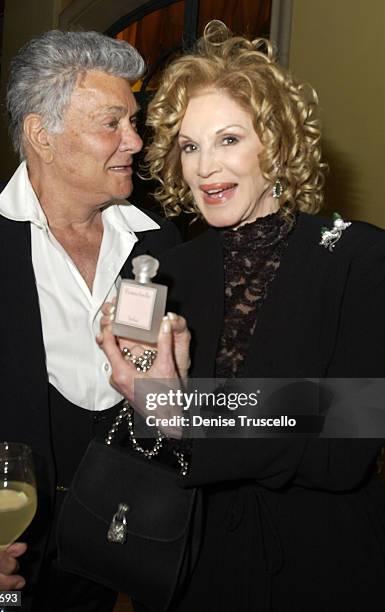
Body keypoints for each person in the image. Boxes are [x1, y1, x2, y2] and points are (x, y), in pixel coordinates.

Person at [97, 22, 385, 611]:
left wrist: (182, 410)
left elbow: (349, 431)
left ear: (275, 144)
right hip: (190, 566)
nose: (206, 168)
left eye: (228, 139)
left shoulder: (358, 255)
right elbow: (143, 437)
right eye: (190, 146)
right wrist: (135, 383)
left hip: (323, 565)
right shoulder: (160, 270)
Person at [0, 30, 180, 611]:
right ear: (42, 135)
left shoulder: (162, 245)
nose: (135, 141)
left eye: (134, 122)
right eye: (113, 123)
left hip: (105, 563)